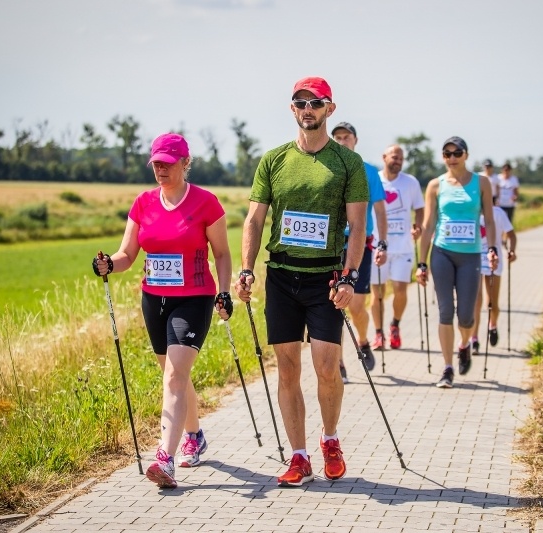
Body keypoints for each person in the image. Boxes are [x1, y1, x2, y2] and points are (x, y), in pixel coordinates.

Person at [234, 76, 369, 487]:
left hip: (326, 279)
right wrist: (246, 269)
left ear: (330, 108)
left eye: (316, 102)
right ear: (292, 109)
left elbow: (359, 226)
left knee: (327, 367)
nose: (308, 109)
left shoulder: (348, 163)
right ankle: (298, 456)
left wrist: (350, 277)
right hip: (281, 276)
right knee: (287, 369)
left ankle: (330, 440)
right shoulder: (273, 160)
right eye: (300, 102)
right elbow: (255, 219)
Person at [92, 133, 233, 489]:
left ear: (186, 163)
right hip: (154, 300)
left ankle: (164, 459)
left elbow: (222, 254)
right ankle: (194, 435)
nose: (160, 169)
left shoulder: (206, 203)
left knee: (174, 377)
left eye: (167, 164)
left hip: (194, 298)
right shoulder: (143, 203)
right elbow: (127, 255)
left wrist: (225, 291)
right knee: (173, 375)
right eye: (156, 163)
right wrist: (110, 263)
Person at [416, 136, 497, 388]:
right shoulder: (435, 185)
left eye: (457, 153)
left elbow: (491, 220)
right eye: (447, 153)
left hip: (470, 255)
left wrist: (492, 248)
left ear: (466, 155)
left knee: (466, 316)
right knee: (444, 311)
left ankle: (464, 344)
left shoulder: (481, 183)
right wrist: (421, 263)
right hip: (442, 253)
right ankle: (447, 367)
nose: (452, 158)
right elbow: (428, 226)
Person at [331, 121, 388, 383]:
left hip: (360, 244)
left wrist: (383, 242)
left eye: (346, 137)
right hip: (331, 246)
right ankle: (338, 363)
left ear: (355, 140)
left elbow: (379, 209)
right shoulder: (327, 169)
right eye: (338, 137)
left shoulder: (369, 172)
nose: (342, 141)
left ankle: (363, 341)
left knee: (355, 306)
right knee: (333, 307)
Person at [370, 145, 425, 350]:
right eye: (394, 157)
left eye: (401, 158)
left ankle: (394, 325)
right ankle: (378, 333)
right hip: (378, 246)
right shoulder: (374, 180)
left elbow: (420, 209)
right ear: (384, 157)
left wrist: (418, 226)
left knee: (400, 289)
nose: (398, 161)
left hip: (403, 246)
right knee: (378, 292)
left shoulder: (410, 182)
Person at [471, 205, 517, 353]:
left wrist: (512, 251)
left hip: (493, 260)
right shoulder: (470, 210)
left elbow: (511, 235)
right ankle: (474, 338)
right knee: (475, 301)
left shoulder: (497, 213)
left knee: (491, 303)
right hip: (474, 258)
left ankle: (493, 324)